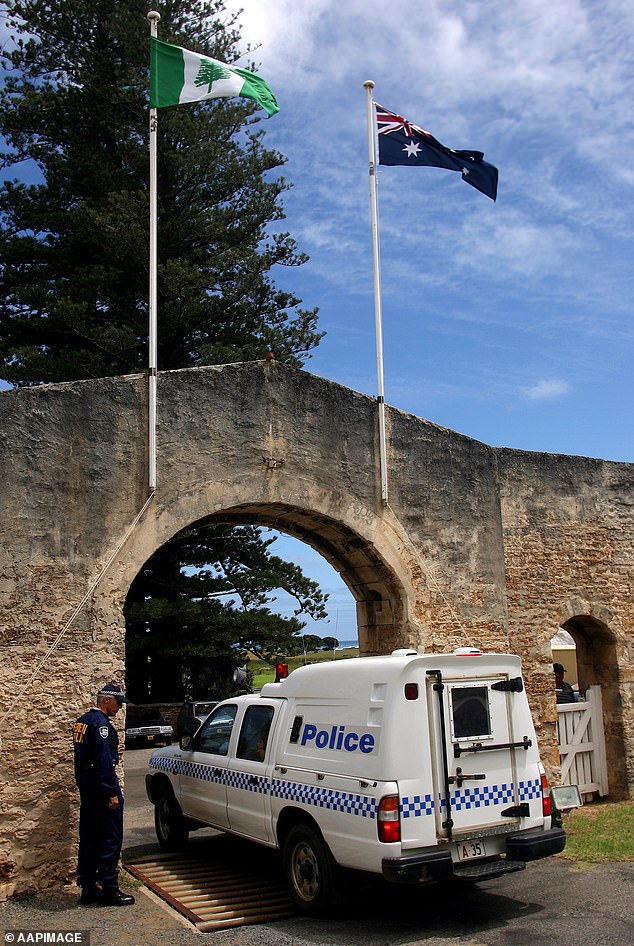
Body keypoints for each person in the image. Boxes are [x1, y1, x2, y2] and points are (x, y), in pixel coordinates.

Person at [72, 682, 135, 907]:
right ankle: (109, 889)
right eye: (118, 703)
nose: (120, 708)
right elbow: (103, 761)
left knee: (89, 837)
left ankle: (88, 887)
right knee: (109, 837)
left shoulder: (82, 722)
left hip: (88, 788)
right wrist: (111, 793)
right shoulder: (101, 725)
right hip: (101, 788)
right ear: (106, 700)